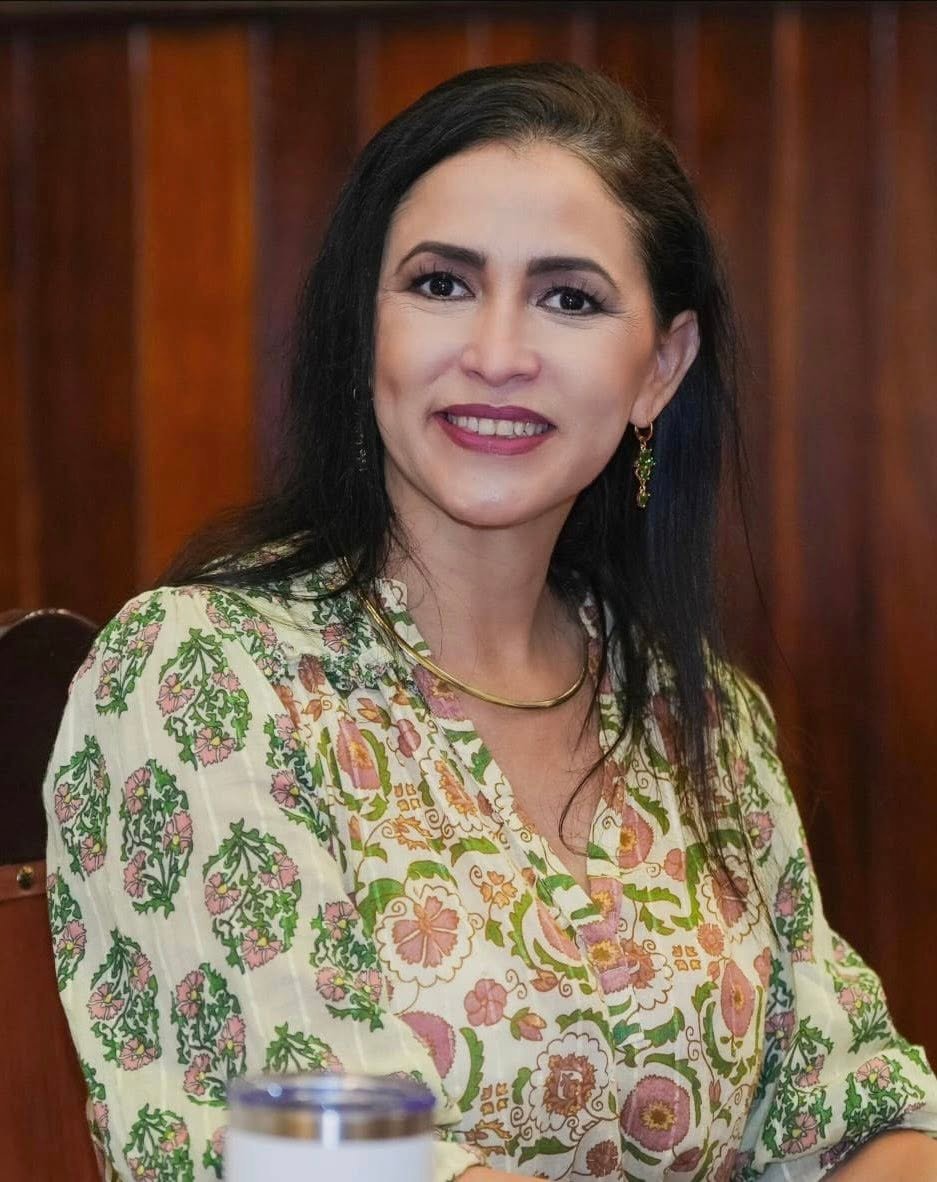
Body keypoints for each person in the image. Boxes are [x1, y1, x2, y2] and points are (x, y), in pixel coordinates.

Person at [44, 62, 937, 1181]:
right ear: (363, 328)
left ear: (659, 369)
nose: (498, 354)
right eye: (441, 284)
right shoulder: (201, 678)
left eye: (569, 299)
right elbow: (318, 1156)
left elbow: (856, 1108)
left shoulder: (689, 706)